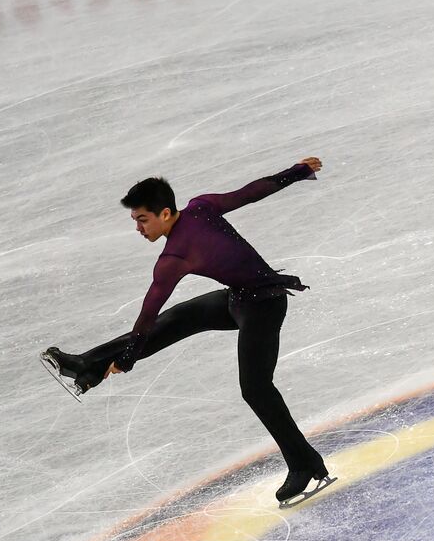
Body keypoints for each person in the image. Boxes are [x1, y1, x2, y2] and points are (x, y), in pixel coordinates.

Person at [42, 157, 333, 505]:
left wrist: (128, 360)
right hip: (238, 299)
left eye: (143, 220)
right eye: (135, 221)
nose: (138, 228)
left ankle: (304, 464)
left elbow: (249, 193)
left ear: (165, 213)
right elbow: (251, 192)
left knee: (256, 389)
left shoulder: (176, 255)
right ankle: (86, 364)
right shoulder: (200, 208)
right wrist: (298, 172)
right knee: (176, 318)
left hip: (264, 306)